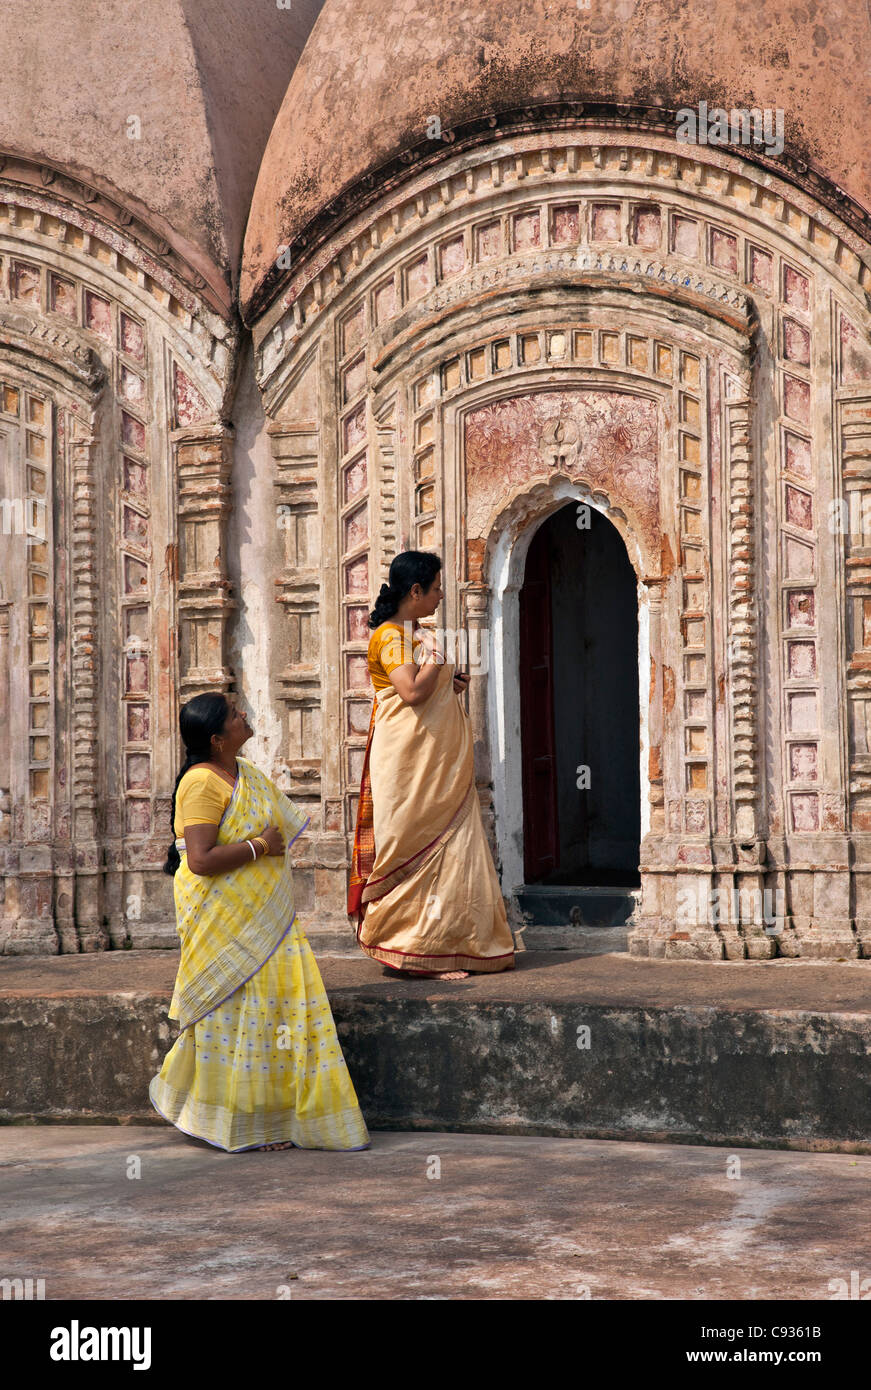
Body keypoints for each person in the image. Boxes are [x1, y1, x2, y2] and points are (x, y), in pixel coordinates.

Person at [151, 692, 370, 1153]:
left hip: (266, 919)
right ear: (216, 739)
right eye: (234, 714)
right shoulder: (200, 784)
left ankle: (276, 1116)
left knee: (277, 1010)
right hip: (223, 919)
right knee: (231, 1014)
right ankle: (233, 1121)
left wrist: (268, 845)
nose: (245, 714)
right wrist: (259, 847)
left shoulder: (245, 774)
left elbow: (283, 830)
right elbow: (201, 859)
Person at [349, 550, 515, 980]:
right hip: (407, 765)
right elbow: (410, 692)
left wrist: (449, 684)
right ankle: (412, 947)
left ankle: (447, 947)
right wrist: (439, 662)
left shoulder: (417, 632)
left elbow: (429, 688)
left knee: (452, 848)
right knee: (412, 843)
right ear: (416, 591)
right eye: (437, 588)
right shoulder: (390, 636)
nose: (442, 595)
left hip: (434, 760)